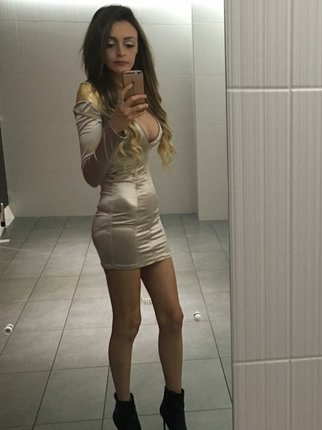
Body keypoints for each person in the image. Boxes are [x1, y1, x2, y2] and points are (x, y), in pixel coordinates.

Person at [73, 5, 187, 430]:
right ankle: (124, 408)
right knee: (129, 322)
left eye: (129, 43)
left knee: (173, 316)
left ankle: (174, 404)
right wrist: (116, 125)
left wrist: (132, 113)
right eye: (111, 44)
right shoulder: (91, 95)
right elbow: (91, 174)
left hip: (150, 220)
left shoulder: (142, 90)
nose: (121, 52)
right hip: (117, 222)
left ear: (139, 48)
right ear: (98, 48)